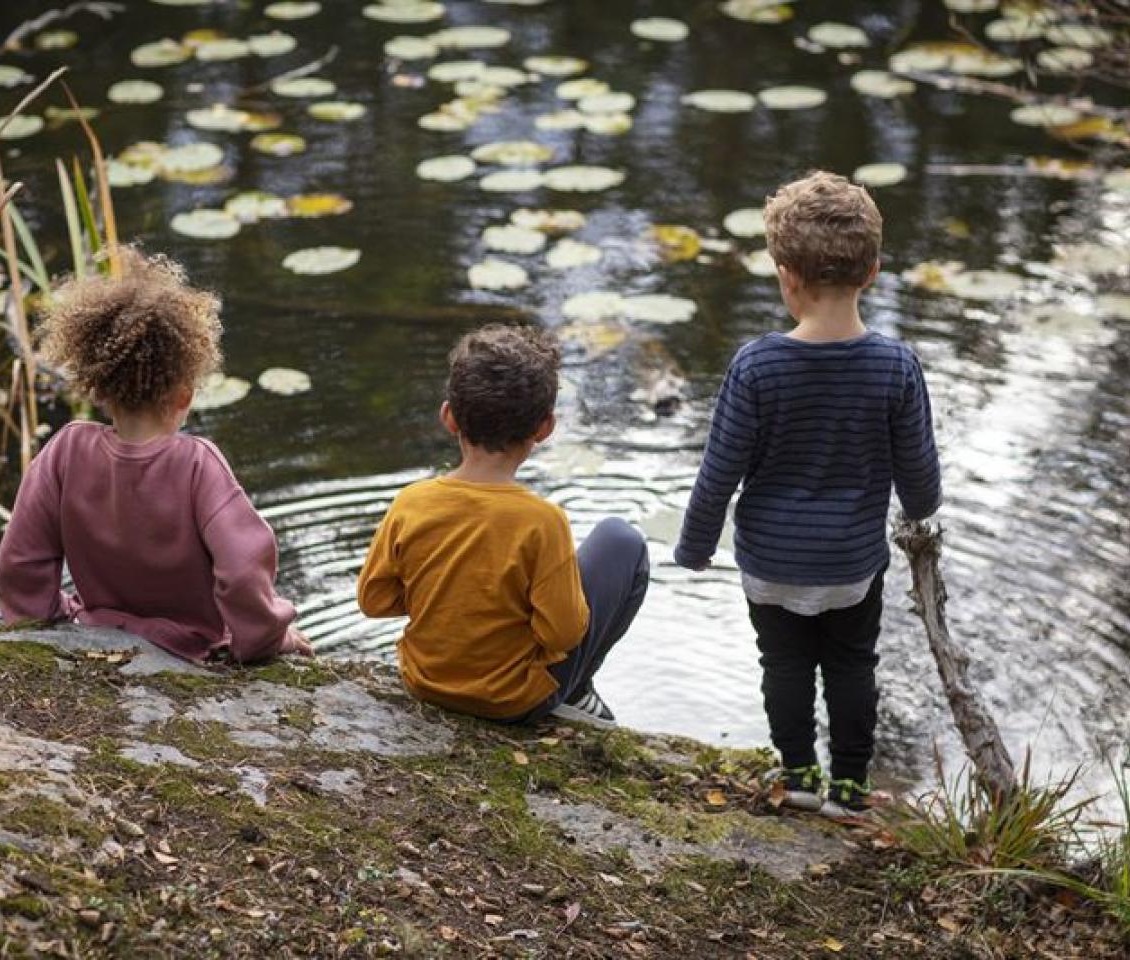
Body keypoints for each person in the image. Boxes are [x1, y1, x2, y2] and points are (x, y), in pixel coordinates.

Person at [674, 171, 941, 817]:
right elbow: (922, 485)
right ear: (872, 272)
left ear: (785, 273)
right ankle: (850, 788)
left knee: (784, 665)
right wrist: (917, 511)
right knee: (853, 666)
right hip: (851, 565)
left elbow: (719, 472)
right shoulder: (895, 365)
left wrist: (695, 546)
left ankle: (797, 777)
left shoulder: (756, 365)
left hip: (771, 563)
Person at [0, 248, 311, 663]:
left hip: (96, 632)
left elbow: (20, 562)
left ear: (100, 387)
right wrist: (264, 639)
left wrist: (49, 622)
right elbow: (242, 571)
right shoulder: (198, 465)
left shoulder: (65, 451)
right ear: (184, 395)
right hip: (190, 648)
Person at [357, 325, 648, 728]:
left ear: (449, 417)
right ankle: (576, 689)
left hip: (424, 681)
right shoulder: (542, 521)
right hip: (513, 701)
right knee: (621, 540)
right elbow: (561, 635)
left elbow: (374, 600)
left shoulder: (412, 502)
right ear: (544, 428)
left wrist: (449, 593)